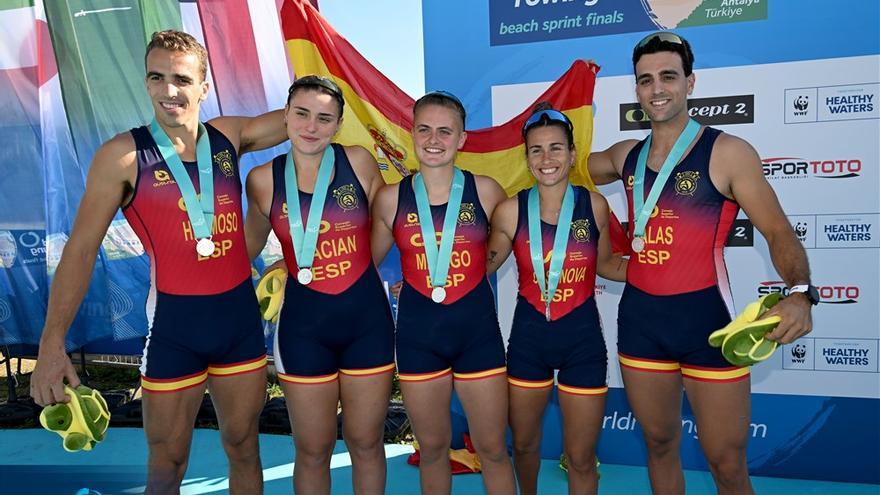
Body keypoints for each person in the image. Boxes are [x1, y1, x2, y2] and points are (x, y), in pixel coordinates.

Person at [30, 30, 288, 494]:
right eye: (157, 77)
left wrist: (337, 82)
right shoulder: (123, 156)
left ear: (203, 87)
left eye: (182, 79)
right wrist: (52, 345)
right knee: (166, 466)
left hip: (240, 328)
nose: (169, 90)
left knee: (245, 447)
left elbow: (305, 117)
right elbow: (81, 249)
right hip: (175, 331)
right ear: (147, 83)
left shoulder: (229, 136)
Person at [588, 32, 817, 495]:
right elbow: (555, 167)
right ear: (635, 90)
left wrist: (799, 292)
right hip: (641, 324)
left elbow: (777, 230)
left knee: (727, 464)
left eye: (668, 76)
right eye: (645, 79)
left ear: (690, 83)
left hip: (707, 324)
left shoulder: (728, 151)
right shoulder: (624, 157)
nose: (657, 88)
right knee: (658, 444)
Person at [243, 75, 394, 495]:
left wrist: (351, 270)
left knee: (366, 442)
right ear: (286, 116)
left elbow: (383, 227)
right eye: (303, 114)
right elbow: (245, 249)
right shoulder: (262, 180)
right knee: (312, 449)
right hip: (303, 328)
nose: (312, 126)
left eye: (325, 118)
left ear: (339, 124)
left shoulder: (359, 162)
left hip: (367, 322)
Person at [371, 91, 516, 495]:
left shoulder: (487, 192)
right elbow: (361, 265)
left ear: (462, 138)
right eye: (424, 129)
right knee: (434, 449)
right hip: (419, 337)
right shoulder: (389, 199)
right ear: (412, 132)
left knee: (491, 449)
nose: (434, 139)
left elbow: (502, 249)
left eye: (445, 131)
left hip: (477, 337)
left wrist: (457, 276)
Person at [487, 103, 627, 495]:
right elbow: (484, 265)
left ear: (571, 152)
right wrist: (431, 277)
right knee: (527, 446)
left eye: (555, 148)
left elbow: (606, 265)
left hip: (583, 341)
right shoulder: (510, 210)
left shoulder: (594, 205)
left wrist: (657, 269)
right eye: (536, 150)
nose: (546, 158)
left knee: (581, 457)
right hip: (529, 340)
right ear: (527, 157)